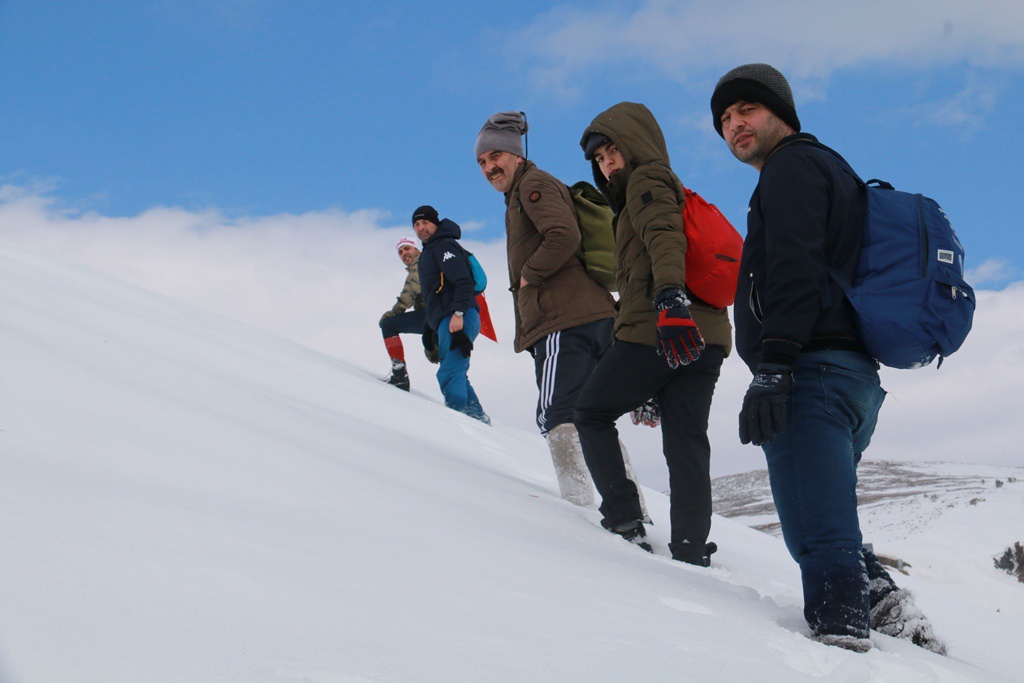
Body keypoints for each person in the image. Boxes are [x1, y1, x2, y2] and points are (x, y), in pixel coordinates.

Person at [711, 63, 946, 653]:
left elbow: (794, 264)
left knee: (819, 537)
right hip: (850, 375)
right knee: (830, 521)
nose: (735, 124)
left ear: (782, 114)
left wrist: (774, 365)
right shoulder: (830, 167)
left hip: (809, 373)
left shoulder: (791, 166)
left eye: (747, 110)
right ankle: (896, 618)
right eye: (725, 119)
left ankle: (844, 644)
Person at [573, 102, 732, 564]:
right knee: (687, 443)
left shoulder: (647, 180)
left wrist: (669, 299)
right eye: (599, 159)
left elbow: (665, 237)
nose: (607, 164)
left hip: (660, 329)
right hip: (706, 339)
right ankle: (691, 548)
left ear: (635, 145)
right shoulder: (661, 186)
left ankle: (624, 519)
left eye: (613, 152)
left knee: (590, 413)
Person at [475, 111, 644, 508]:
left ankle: (578, 507)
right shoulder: (523, 192)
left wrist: (528, 276)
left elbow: (563, 235)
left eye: (496, 156)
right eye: (482, 161)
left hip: (564, 320)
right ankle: (632, 508)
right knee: (592, 416)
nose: (489, 167)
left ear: (517, 155)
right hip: (589, 317)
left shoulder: (532, 184)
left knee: (557, 413)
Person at [413, 205, 490, 425]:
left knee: (449, 373)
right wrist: (430, 326)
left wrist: (458, 314)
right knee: (455, 370)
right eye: (416, 224)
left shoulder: (444, 246)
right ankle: (477, 420)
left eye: (425, 222)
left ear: (436, 223)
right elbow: (434, 296)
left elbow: (463, 281)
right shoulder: (429, 252)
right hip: (447, 320)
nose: (421, 228)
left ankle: (458, 423)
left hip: (459, 316)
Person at [379, 237, 432, 391]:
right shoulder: (429, 263)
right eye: (400, 252)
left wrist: (394, 313)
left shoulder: (420, 264)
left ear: (418, 250)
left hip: (432, 314)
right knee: (448, 362)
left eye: (407, 248)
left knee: (388, 325)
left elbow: (410, 291)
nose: (404, 254)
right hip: (442, 316)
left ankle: (400, 375)